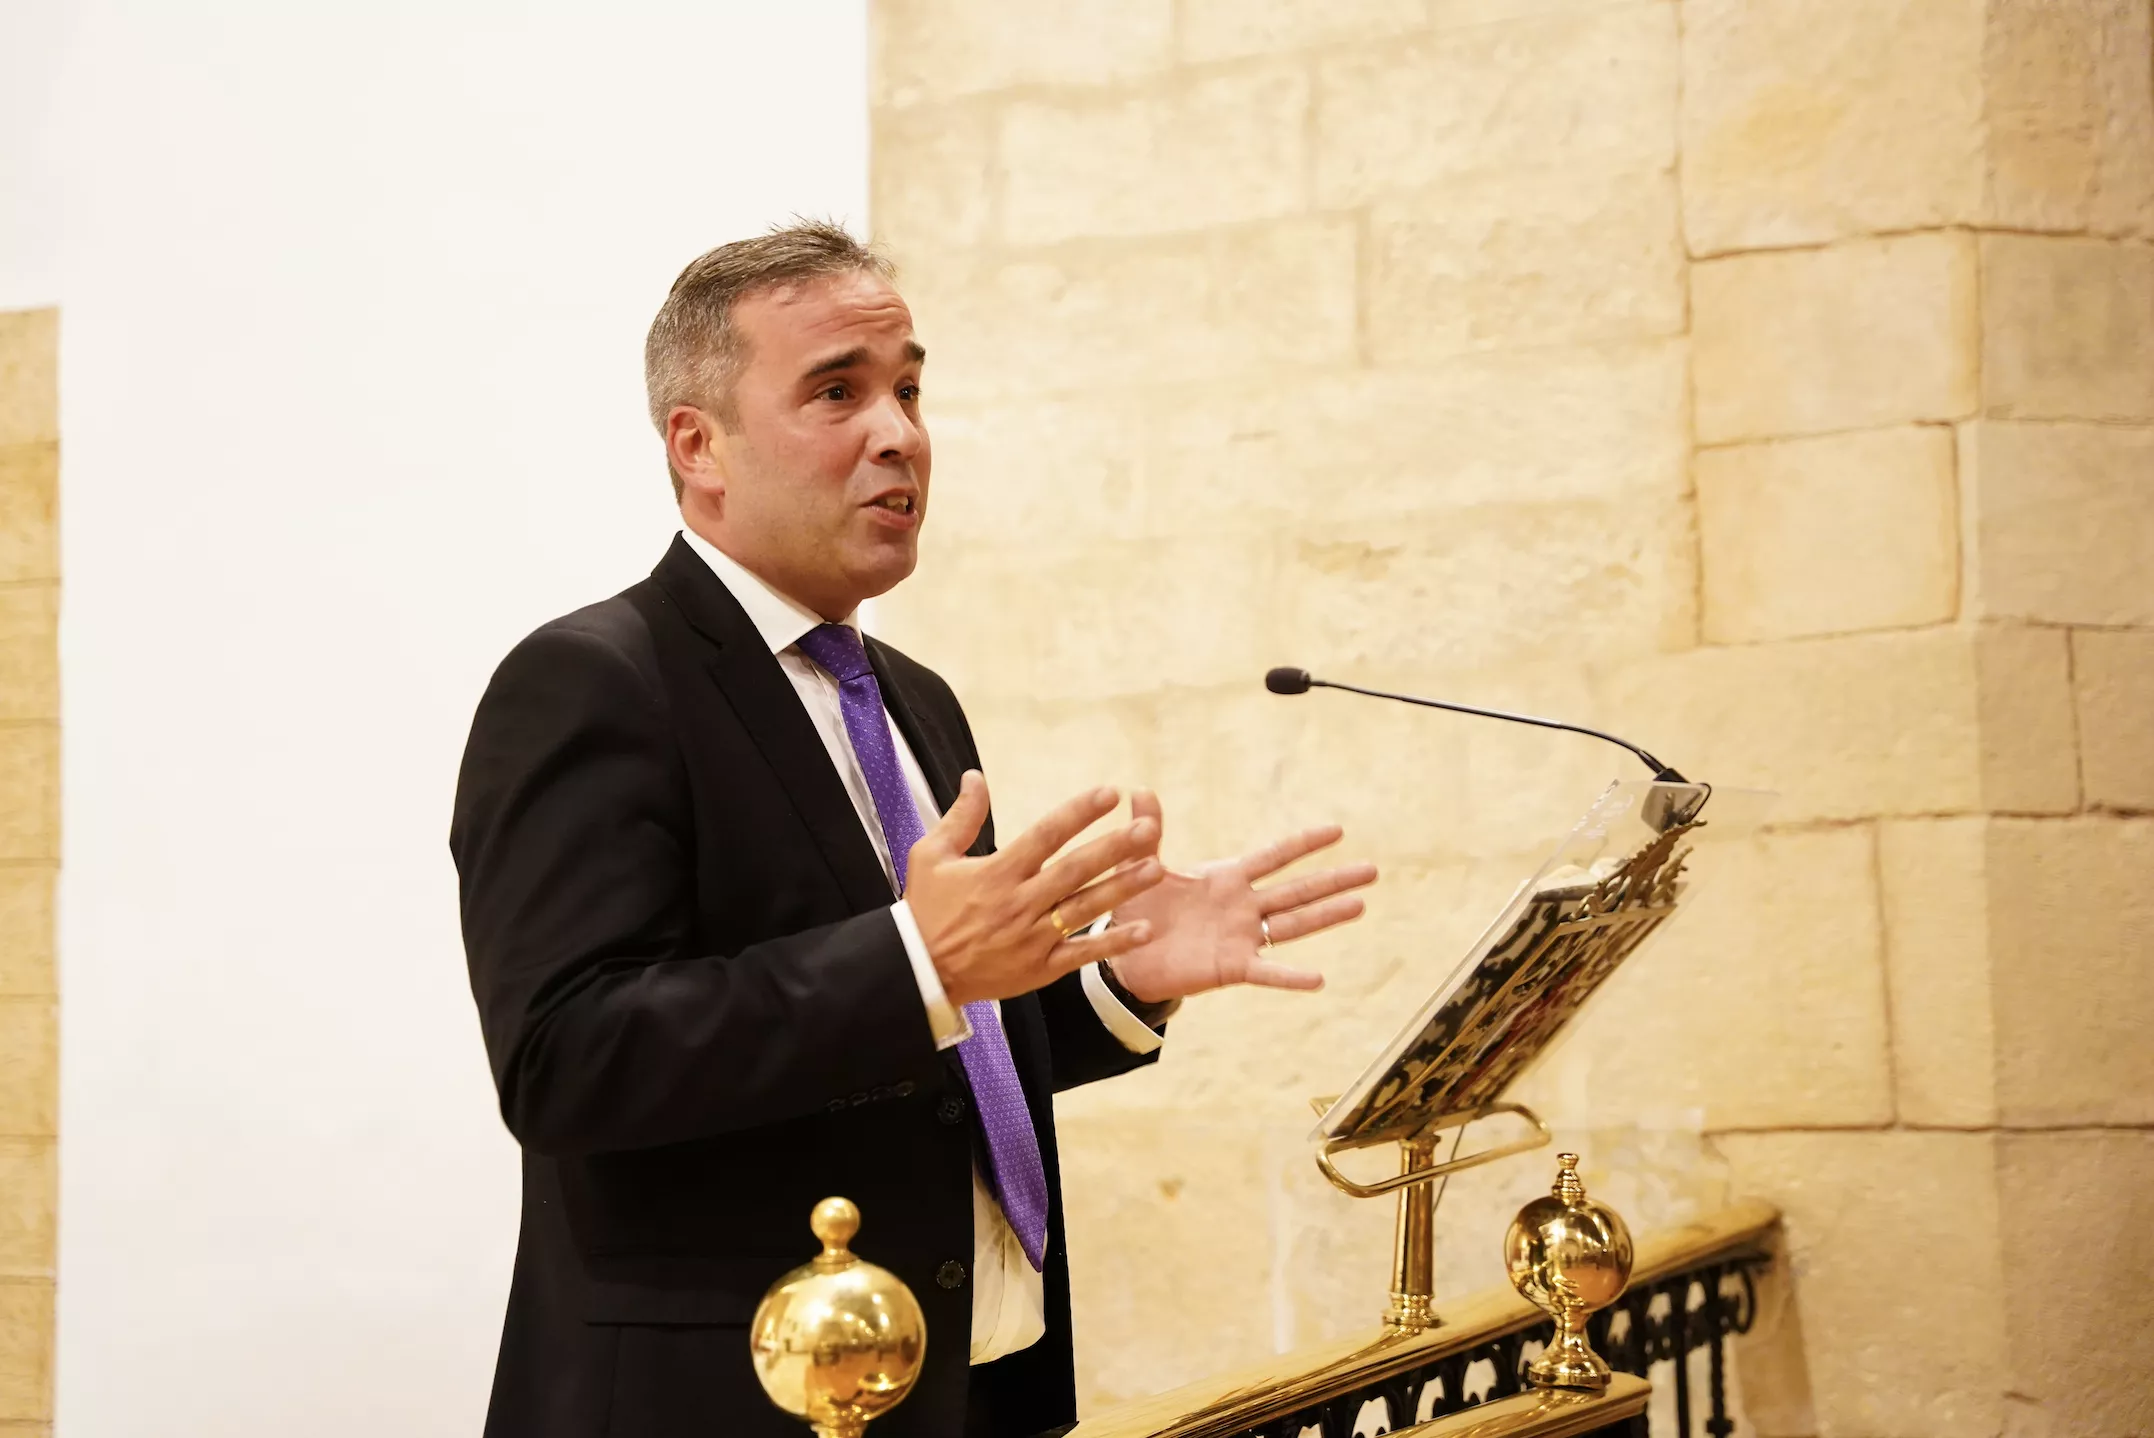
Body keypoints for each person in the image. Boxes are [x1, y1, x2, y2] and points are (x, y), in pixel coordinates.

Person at [450, 221, 1377, 1438]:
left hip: (964, 1386)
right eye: (837, 392)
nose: (899, 434)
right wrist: (916, 960)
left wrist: (1111, 982)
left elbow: (934, 1050)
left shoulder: (912, 699)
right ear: (699, 445)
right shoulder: (593, 681)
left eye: (909, 389)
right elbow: (566, 1059)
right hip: (729, 1399)